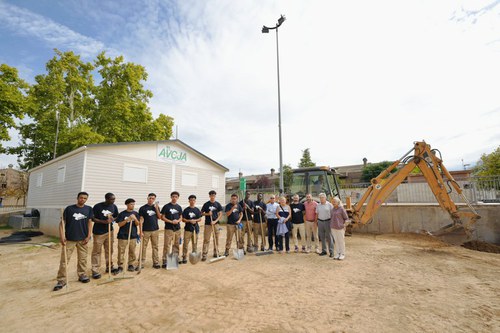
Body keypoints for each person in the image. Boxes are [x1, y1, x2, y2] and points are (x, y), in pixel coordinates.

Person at [53, 192, 93, 291]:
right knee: (64, 261)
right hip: (70, 239)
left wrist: (88, 236)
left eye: (85, 198)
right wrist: (62, 236)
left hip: (83, 239)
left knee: (82, 259)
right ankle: (61, 280)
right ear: (77, 198)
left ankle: (82, 275)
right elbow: (62, 223)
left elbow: (89, 223)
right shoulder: (69, 209)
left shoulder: (88, 209)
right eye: (81, 198)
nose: (82, 199)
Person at [90, 192, 119, 279]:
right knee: (97, 251)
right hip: (99, 232)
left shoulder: (114, 206)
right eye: (111, 199)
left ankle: (109, 267)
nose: (113, 201)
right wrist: (103, 222)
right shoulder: (97, 206)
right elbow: (92, 218)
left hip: (109, 231)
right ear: (106, 198)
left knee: (109, 250)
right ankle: (95, 270)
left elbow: (117, 216)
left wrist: (113, 219)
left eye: (114, 199)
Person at [116, 198, 141, 273]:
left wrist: (135, 219)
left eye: (133, 204)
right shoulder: (122, 214)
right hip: (123, 236)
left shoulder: (135, 213)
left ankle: (130, 264)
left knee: (132, 251)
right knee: (121, 251)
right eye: (131, 204)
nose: (132, 205)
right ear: (127, 204)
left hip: (133, 236)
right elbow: (119, 224)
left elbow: (137, 224)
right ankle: (120, 266)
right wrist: (127, 219)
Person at [138, 193, 161, 269]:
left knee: (155, 246)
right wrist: (140, 231)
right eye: (150, 198)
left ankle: (156, 262)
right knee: (143, 247)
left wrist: (156, 208)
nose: (151, 199)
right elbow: (141, 220)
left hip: (155, 230)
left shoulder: (156, 207)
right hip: (146, 230)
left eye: (153, 198)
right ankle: (141, 262)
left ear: (154, 199)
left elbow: (159, 217)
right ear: (147, 198)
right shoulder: (142, 208)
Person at [160, 191, 183, 268]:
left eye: (176, 197)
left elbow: (181, 217)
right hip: (169, 228)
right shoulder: (166, 206)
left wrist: (178, 221)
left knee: (176, 244)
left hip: (177, 229)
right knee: (167, 245)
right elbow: (162, 217)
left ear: (178, 198)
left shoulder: (179, 207)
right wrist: (171, 221)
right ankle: (165, 260)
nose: (174, 198)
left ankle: (174, 259)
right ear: (171, 197)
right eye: (173, 196)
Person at [201, 190, 223, 261]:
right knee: (206, 239)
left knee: (216, 239)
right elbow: (201, 213)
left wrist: (215, 221)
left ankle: (216, 252)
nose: (212, 197)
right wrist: (207, 214)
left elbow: (220, 214)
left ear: (215, 196)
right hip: (208, 224)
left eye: (214, 195)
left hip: (216, 224)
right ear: (209, 196)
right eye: (211, 195)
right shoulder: (206, 204)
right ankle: (204, 254)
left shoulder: (218, 204)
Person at [181, 194, 202, 264]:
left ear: (195, 201)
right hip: (188, 229)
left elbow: (200, 218)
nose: (192, 201)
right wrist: (189, 221)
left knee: (194, 243)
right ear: (189, 201)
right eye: (191, 200)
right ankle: (184, 257)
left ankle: (194, 257)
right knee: (185, 244)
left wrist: (195, 220)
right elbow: (183, 219)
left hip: (195, 229)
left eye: (193, 200)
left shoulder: (197, 210)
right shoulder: (186, 210)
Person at [316, 193, 334, 257]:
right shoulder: (318, 205)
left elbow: (333, 214)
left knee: (329, 237)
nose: (321, 199)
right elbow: (317, 214)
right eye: (320, 197)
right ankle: (324, 251)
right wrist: (316, 221)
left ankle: (331, 251)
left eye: (322, 197)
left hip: (328, 221)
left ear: (325, 198)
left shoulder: (329, 205)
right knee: (322, 237)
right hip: (320, 221)